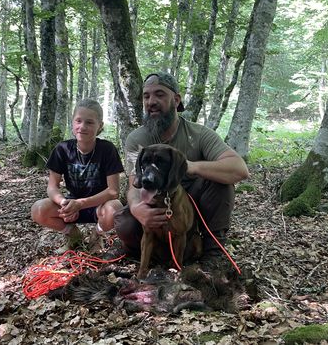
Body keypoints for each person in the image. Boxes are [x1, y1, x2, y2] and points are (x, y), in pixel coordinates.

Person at [113, 72, 249, 264]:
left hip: (192, 207)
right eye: (146, 96)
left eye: (159, 94)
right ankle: (144, 257)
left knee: (222, 183)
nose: (151, 101)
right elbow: (134, 183)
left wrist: (190, 167)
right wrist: (136, 208)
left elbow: (239, 169)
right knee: (124, 223)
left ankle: (213, 255)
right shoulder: (137, 139)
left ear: (176, 100)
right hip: (155, 201)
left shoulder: (199, 134)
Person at [31, 98, 124, 252]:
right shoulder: (62, 149)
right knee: (38, 209)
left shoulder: (107, 149)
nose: (82, 127)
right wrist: (64, 204)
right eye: (78, 121)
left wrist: (80, 204)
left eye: (89, 122)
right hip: (71, 206)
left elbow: (113, 191)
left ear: (100, 126)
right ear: (72, 123)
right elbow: (52, 187)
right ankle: (73, 235)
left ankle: (97, 235)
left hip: (99, 206)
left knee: (116, 209)